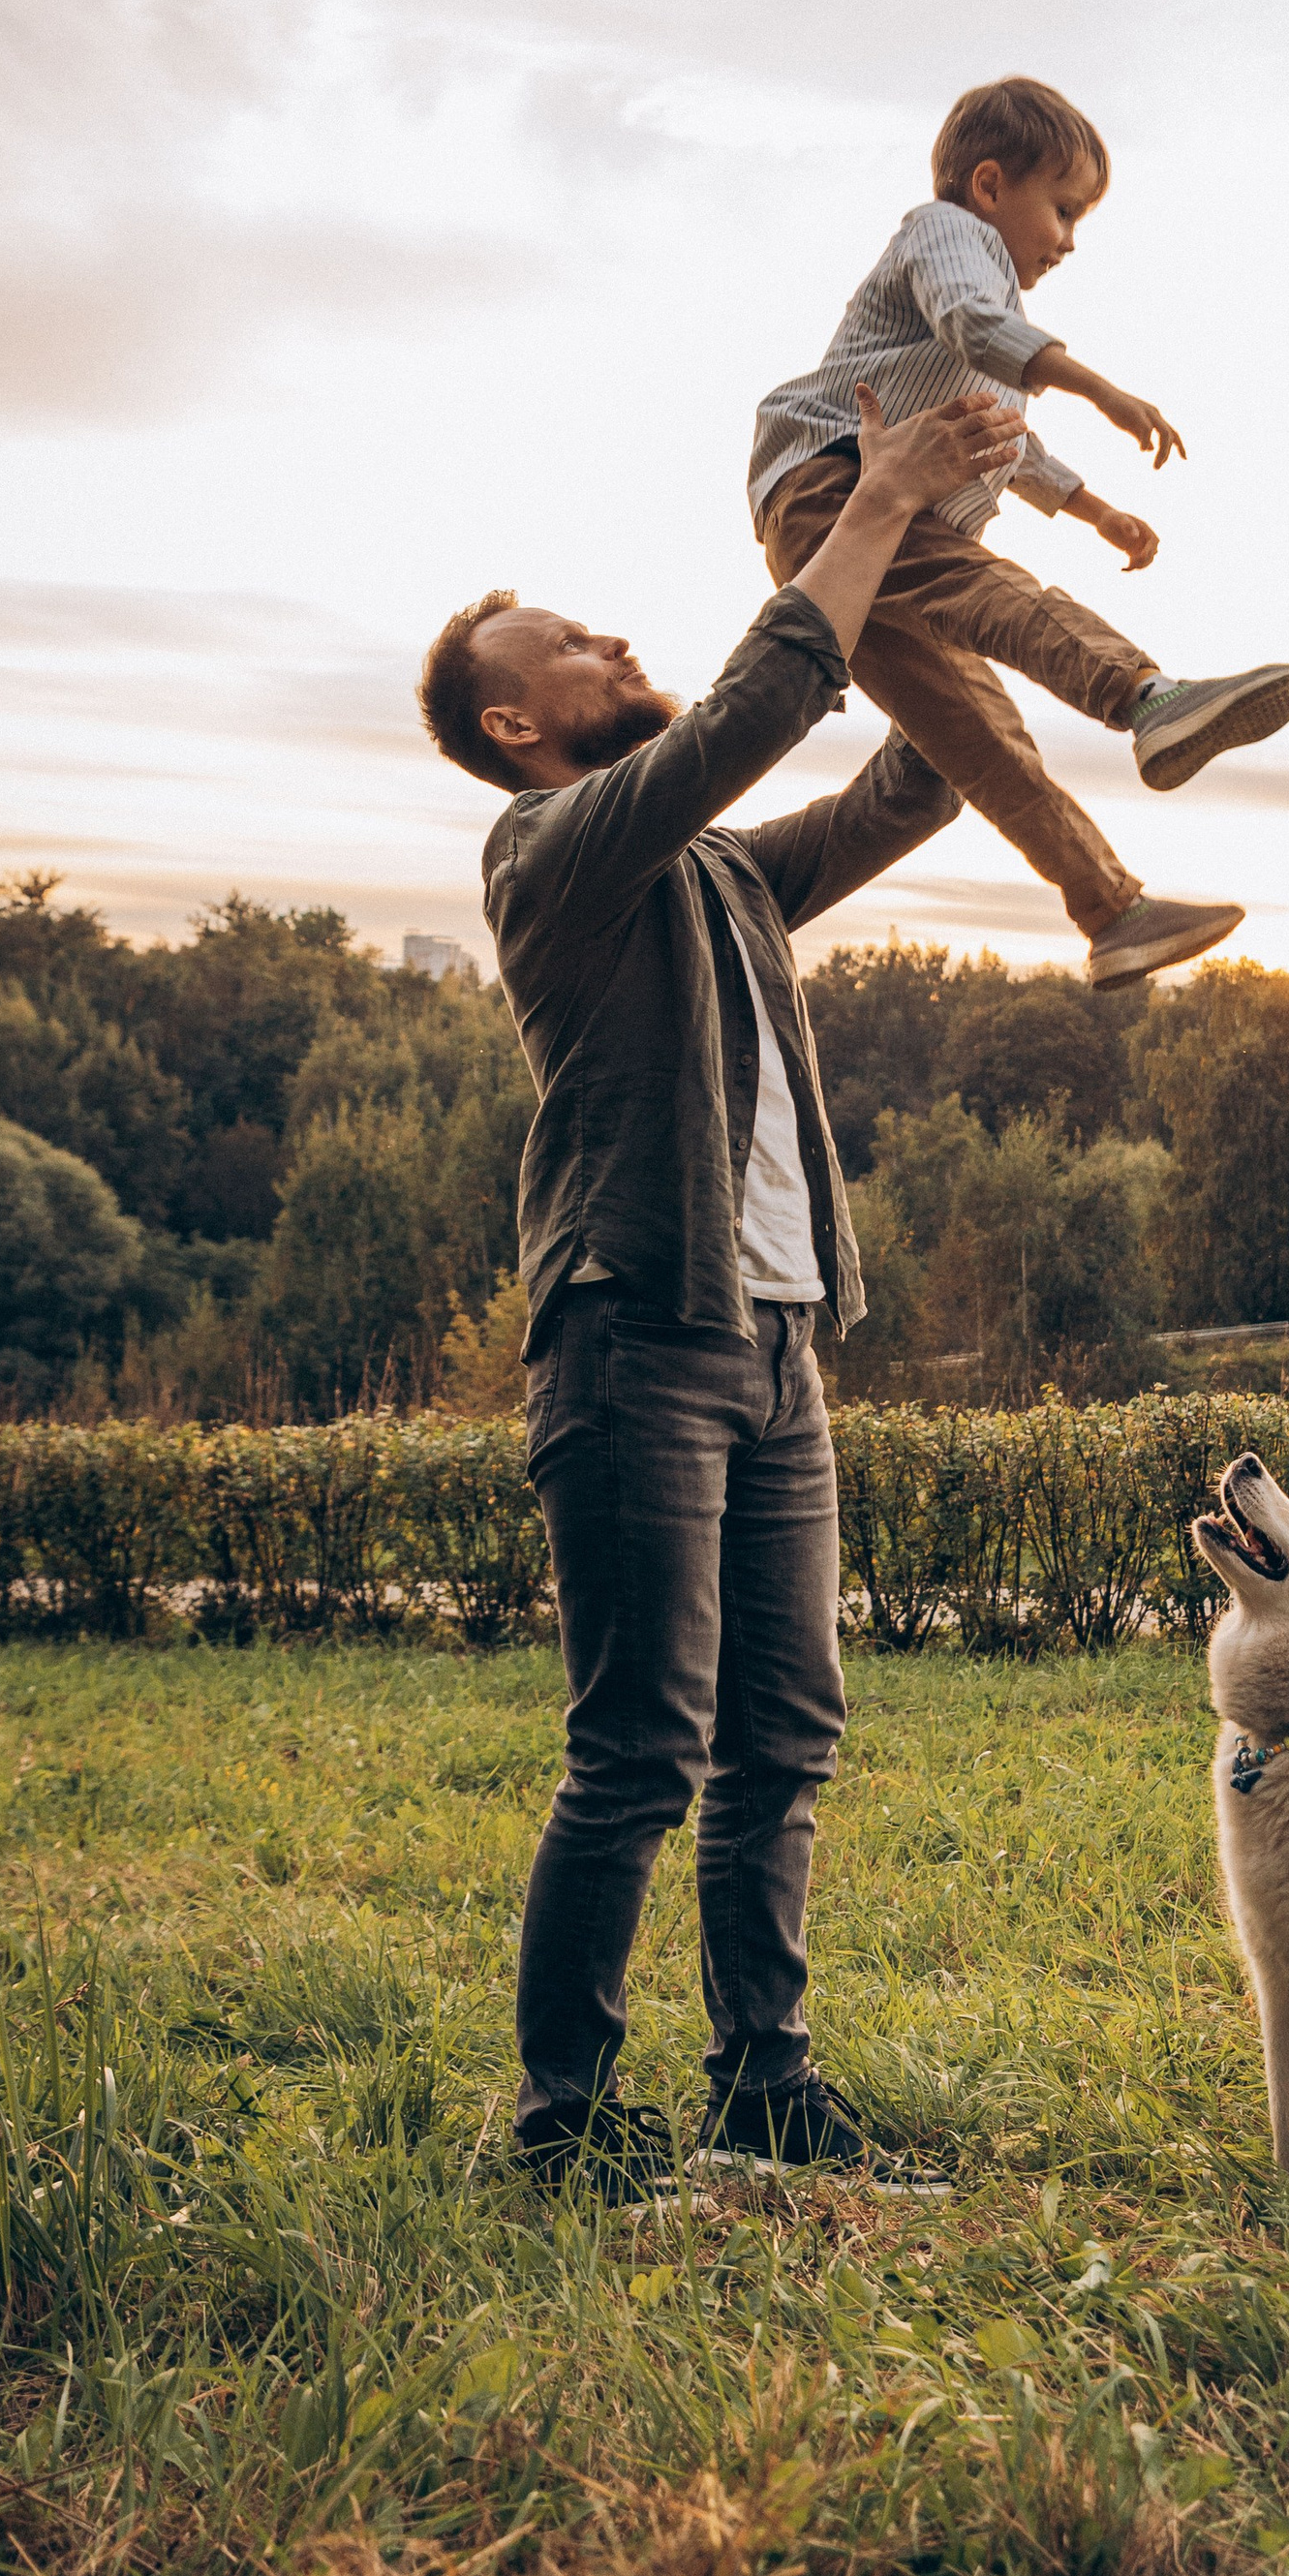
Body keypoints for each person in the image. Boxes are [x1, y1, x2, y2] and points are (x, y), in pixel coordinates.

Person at [415, 383, 1025, 2201]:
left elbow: (914, 772)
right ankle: (568, 2123)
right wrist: (874, 493)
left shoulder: (725, 877)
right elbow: (767, 695)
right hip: (637, 1337)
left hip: (775, 1346)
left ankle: (766, 2086)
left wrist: (934, 596)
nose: (618, 638)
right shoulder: (557, 850)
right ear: (521, 719)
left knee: (783, 1736)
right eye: (574, 644)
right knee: (638, 1748)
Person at [748, 75, 1289, 987]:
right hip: (834, 490)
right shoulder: (945, 238)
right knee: (988, 590)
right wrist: (1102, 388)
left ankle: (1113, 913)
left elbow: (1013, 439)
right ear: (988, 185)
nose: (1070, 240)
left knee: (982, 738)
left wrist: (1095, 511)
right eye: (1062, 209)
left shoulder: (993, 331)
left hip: (864, 522)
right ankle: (1147, 699)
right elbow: (975, 327)